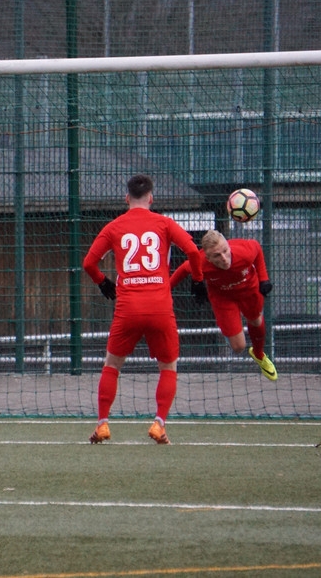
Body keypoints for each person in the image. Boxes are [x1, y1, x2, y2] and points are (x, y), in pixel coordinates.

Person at [82, 174, 204, 446]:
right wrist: (198, 281)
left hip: (128, 308)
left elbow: (89, 262)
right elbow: (194, 253)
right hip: (160, 307)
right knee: (168, 366)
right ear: (151, 198)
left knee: (112, 365)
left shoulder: (114, 226)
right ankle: (159, 424)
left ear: (127, 198)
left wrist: (103, 282)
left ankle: (102, 424)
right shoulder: (164, 223)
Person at [170, 229, 277, 381]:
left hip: (249, 289)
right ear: (208, 257)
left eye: (225, 251)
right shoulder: (200, 262)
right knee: (238, 347)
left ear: (228, 245)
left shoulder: (244, 252)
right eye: (217, 256)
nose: (224, 259)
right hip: (223, 297)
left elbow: (257, 248)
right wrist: (163, 291)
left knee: (256, 320)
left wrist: (264, 279)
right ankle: (229, 327)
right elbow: (183, 269)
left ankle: (259, 355)